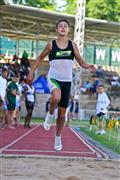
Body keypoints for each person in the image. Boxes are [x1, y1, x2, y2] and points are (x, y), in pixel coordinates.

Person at [27, 19, 96, 151]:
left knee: (63, 115)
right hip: (53, 78)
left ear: (69, 30)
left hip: (67, 81)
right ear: (57, 29)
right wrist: (31, 71)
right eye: (60, 26)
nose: (63, 28)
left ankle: (57, 136)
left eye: (65, 26)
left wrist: (88, 66)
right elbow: (40, 58)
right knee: (56, 97)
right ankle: (50, 113)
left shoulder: (73, 45)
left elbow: (80, 61)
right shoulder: (51, 45)